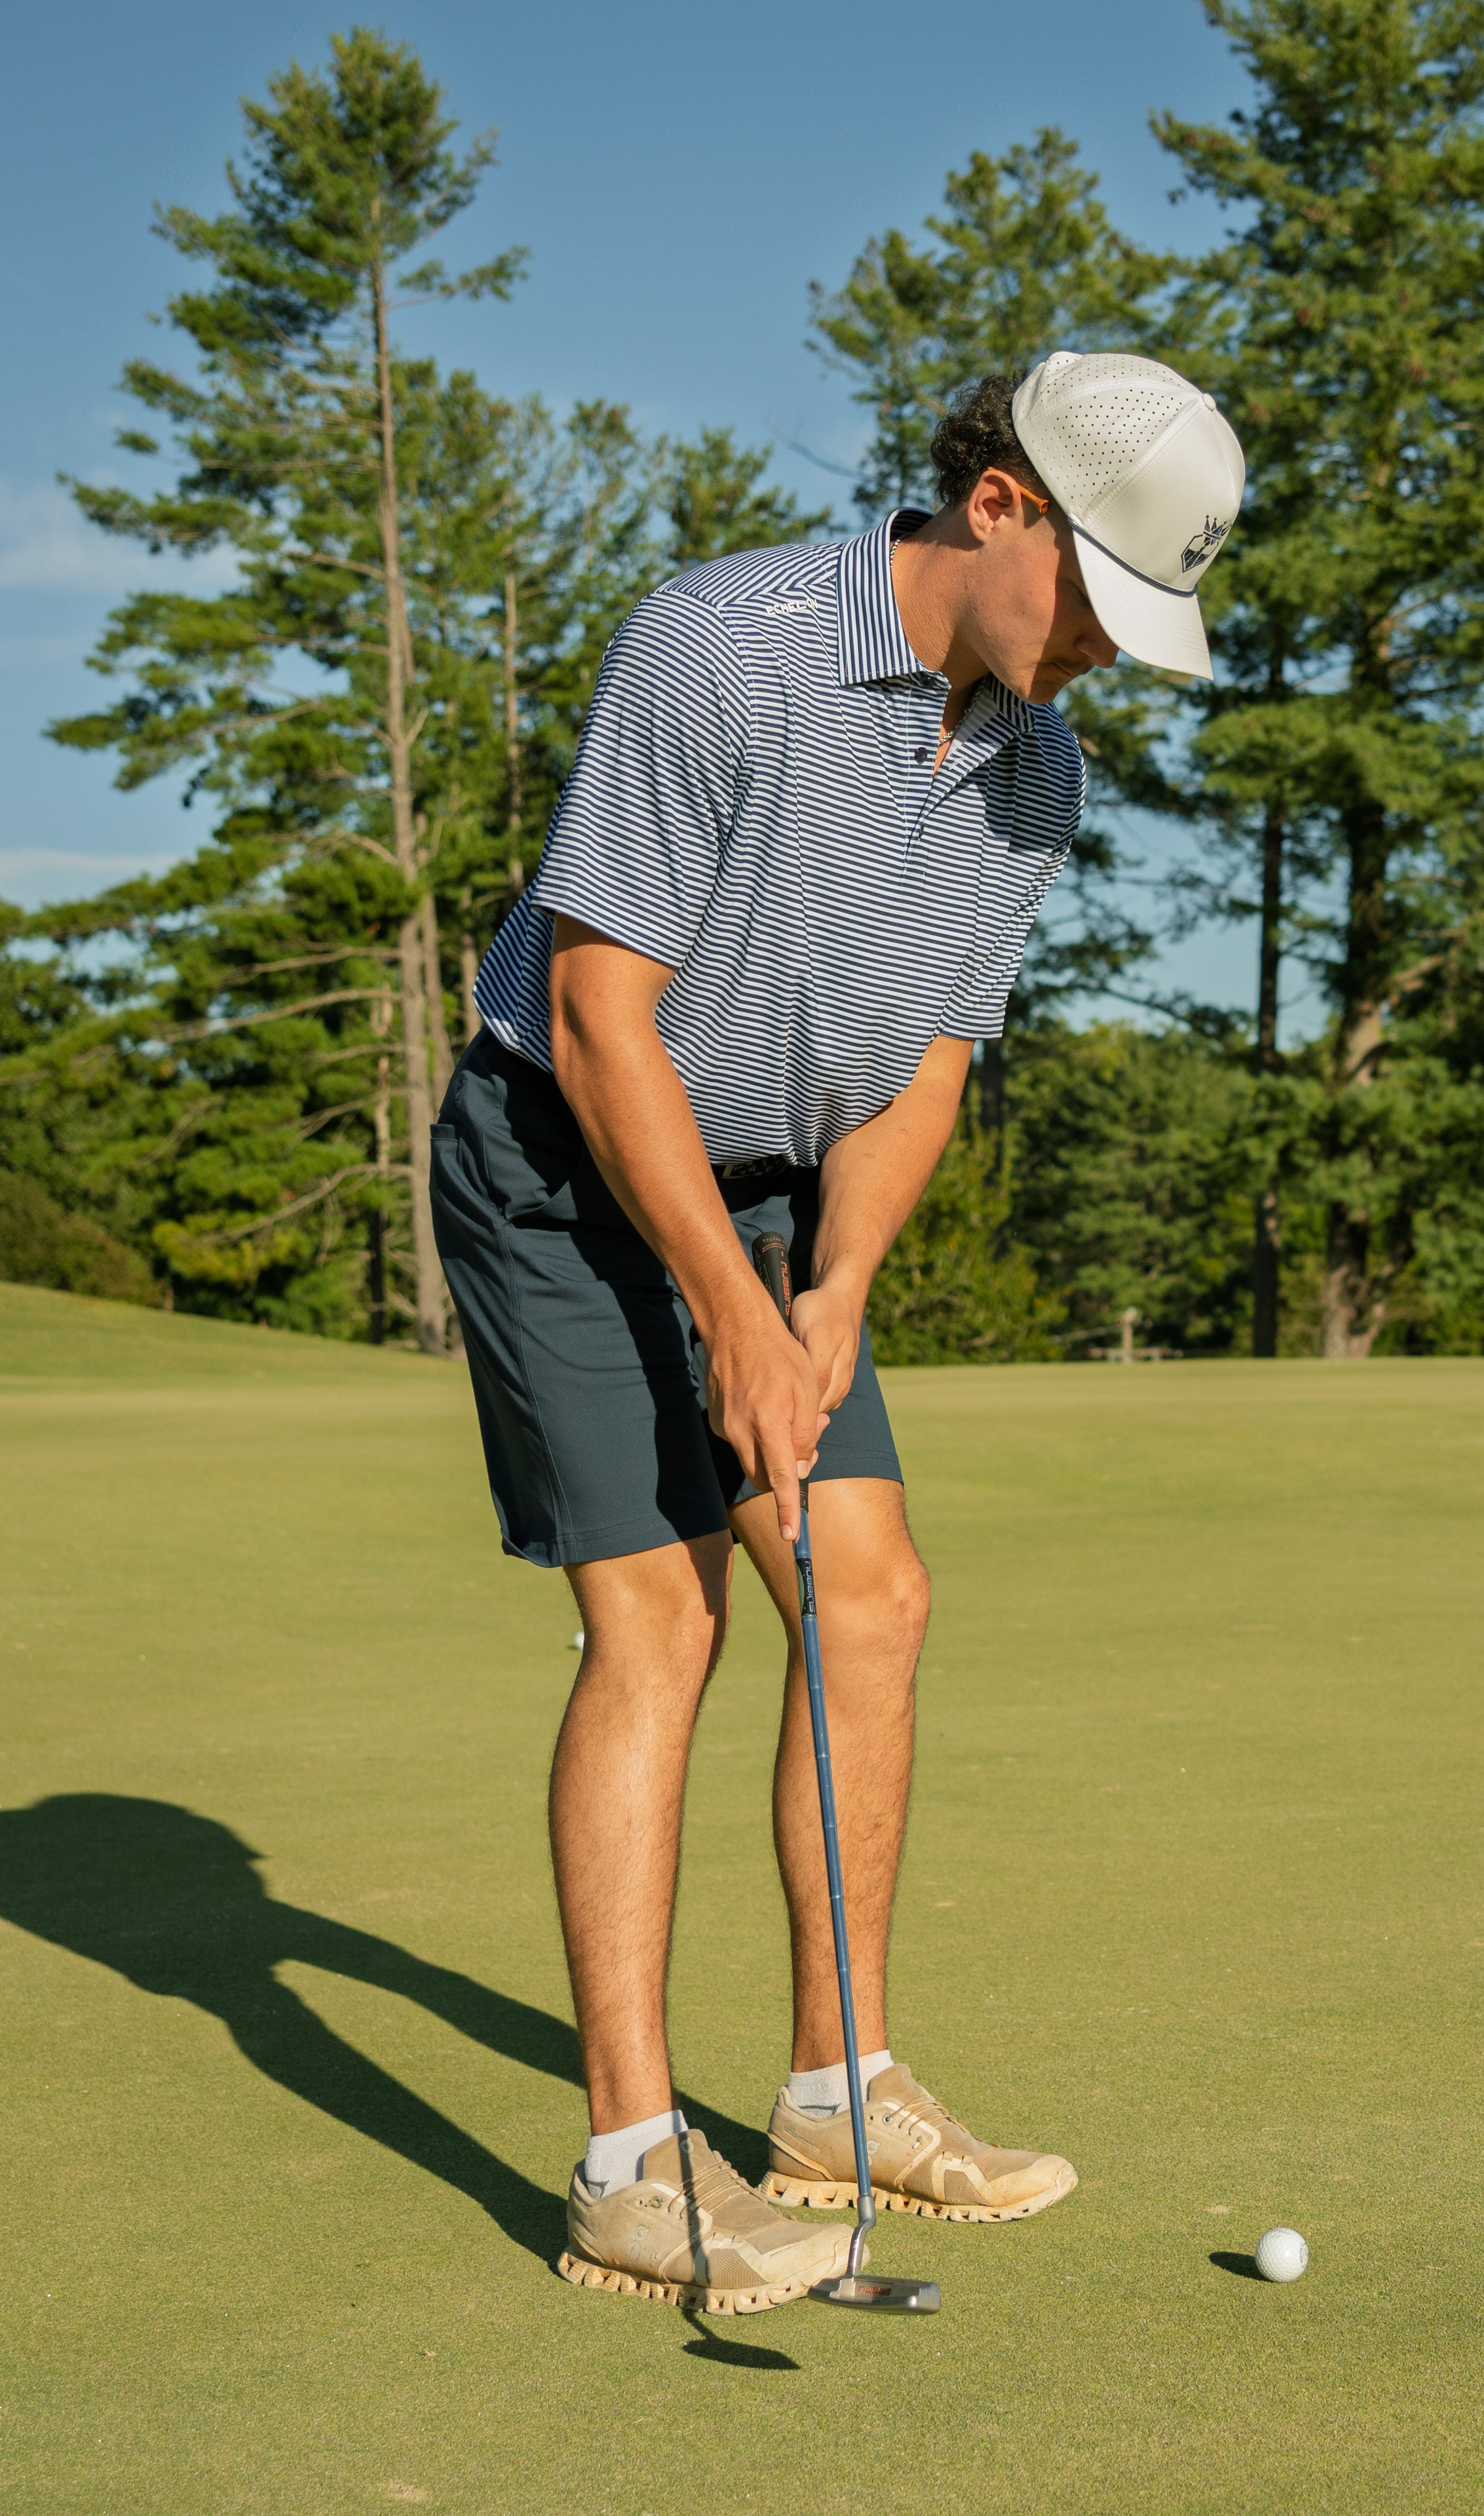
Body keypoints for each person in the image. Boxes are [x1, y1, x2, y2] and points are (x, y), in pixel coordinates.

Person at [430, 352, 1246, 2311]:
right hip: (565, 1153)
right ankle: (633, 2172)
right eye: (1099, 607)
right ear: (1001, 509)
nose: (1107, 662)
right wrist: (722, 1307)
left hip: (788, 1187)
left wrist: (824, 1301)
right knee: (670, 1619)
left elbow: (931, 1065)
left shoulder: (1036, 759)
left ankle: (838, 2097)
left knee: (868, 1600)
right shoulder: (720, 649)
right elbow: (611, 1015)